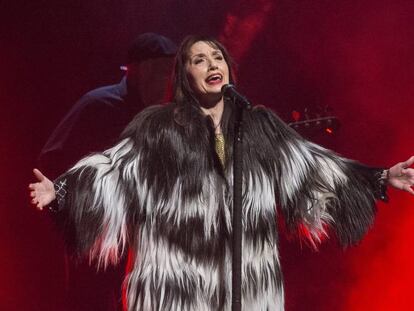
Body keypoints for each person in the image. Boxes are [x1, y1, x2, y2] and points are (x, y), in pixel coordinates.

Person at [30, 35, 414, 311]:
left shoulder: (256, 124)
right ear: (183, 77)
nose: (213, 64)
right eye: (200, 59)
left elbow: (309, 165)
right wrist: (61, 192)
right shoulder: (159, 127)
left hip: (244, 289)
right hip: (176, 288)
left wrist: (381, 178)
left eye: (218, 57)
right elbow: (115, 169)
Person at [37, 33, 177, 311]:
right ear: (143, 70)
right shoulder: (99, 105)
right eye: (164, 73)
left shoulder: (156, 118)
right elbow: (49, 164)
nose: (170, 84)